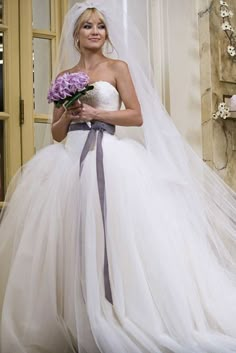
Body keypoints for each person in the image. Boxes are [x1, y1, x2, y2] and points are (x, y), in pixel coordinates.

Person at [1, 1, 236, 353]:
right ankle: (72, 312)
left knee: (112, 232)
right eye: (87, 26)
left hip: (108, 157)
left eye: (100, 26)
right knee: (69, 236)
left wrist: (96, 111)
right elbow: (56, 133)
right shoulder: (65, 77)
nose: (95, 31)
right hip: (68, 160)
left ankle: (115, 308)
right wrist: (69, 113)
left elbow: (137, 115)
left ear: (107, 34)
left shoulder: (117, 68)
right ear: (76, 35)